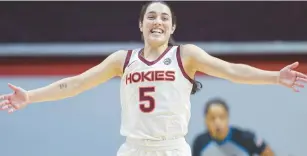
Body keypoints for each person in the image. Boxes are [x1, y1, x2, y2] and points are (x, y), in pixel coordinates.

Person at [0, 1, 306, 156]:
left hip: (172, 148)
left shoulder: (186, 55)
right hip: (133, 149)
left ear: (172, 28)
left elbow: (233, 71)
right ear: (140, 25)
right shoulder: (123, 60)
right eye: (151, 16)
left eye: (164, 17)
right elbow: (77, 83)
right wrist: (30, 96)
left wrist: (274, 77)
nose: (157, 21)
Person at [192, 98, 275, 156]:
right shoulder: (199, 142)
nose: (217, 122)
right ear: (206, 121)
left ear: (228, 118)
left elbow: (267, 152)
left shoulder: (246, 138)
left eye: (222, 117)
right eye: (212, 118)